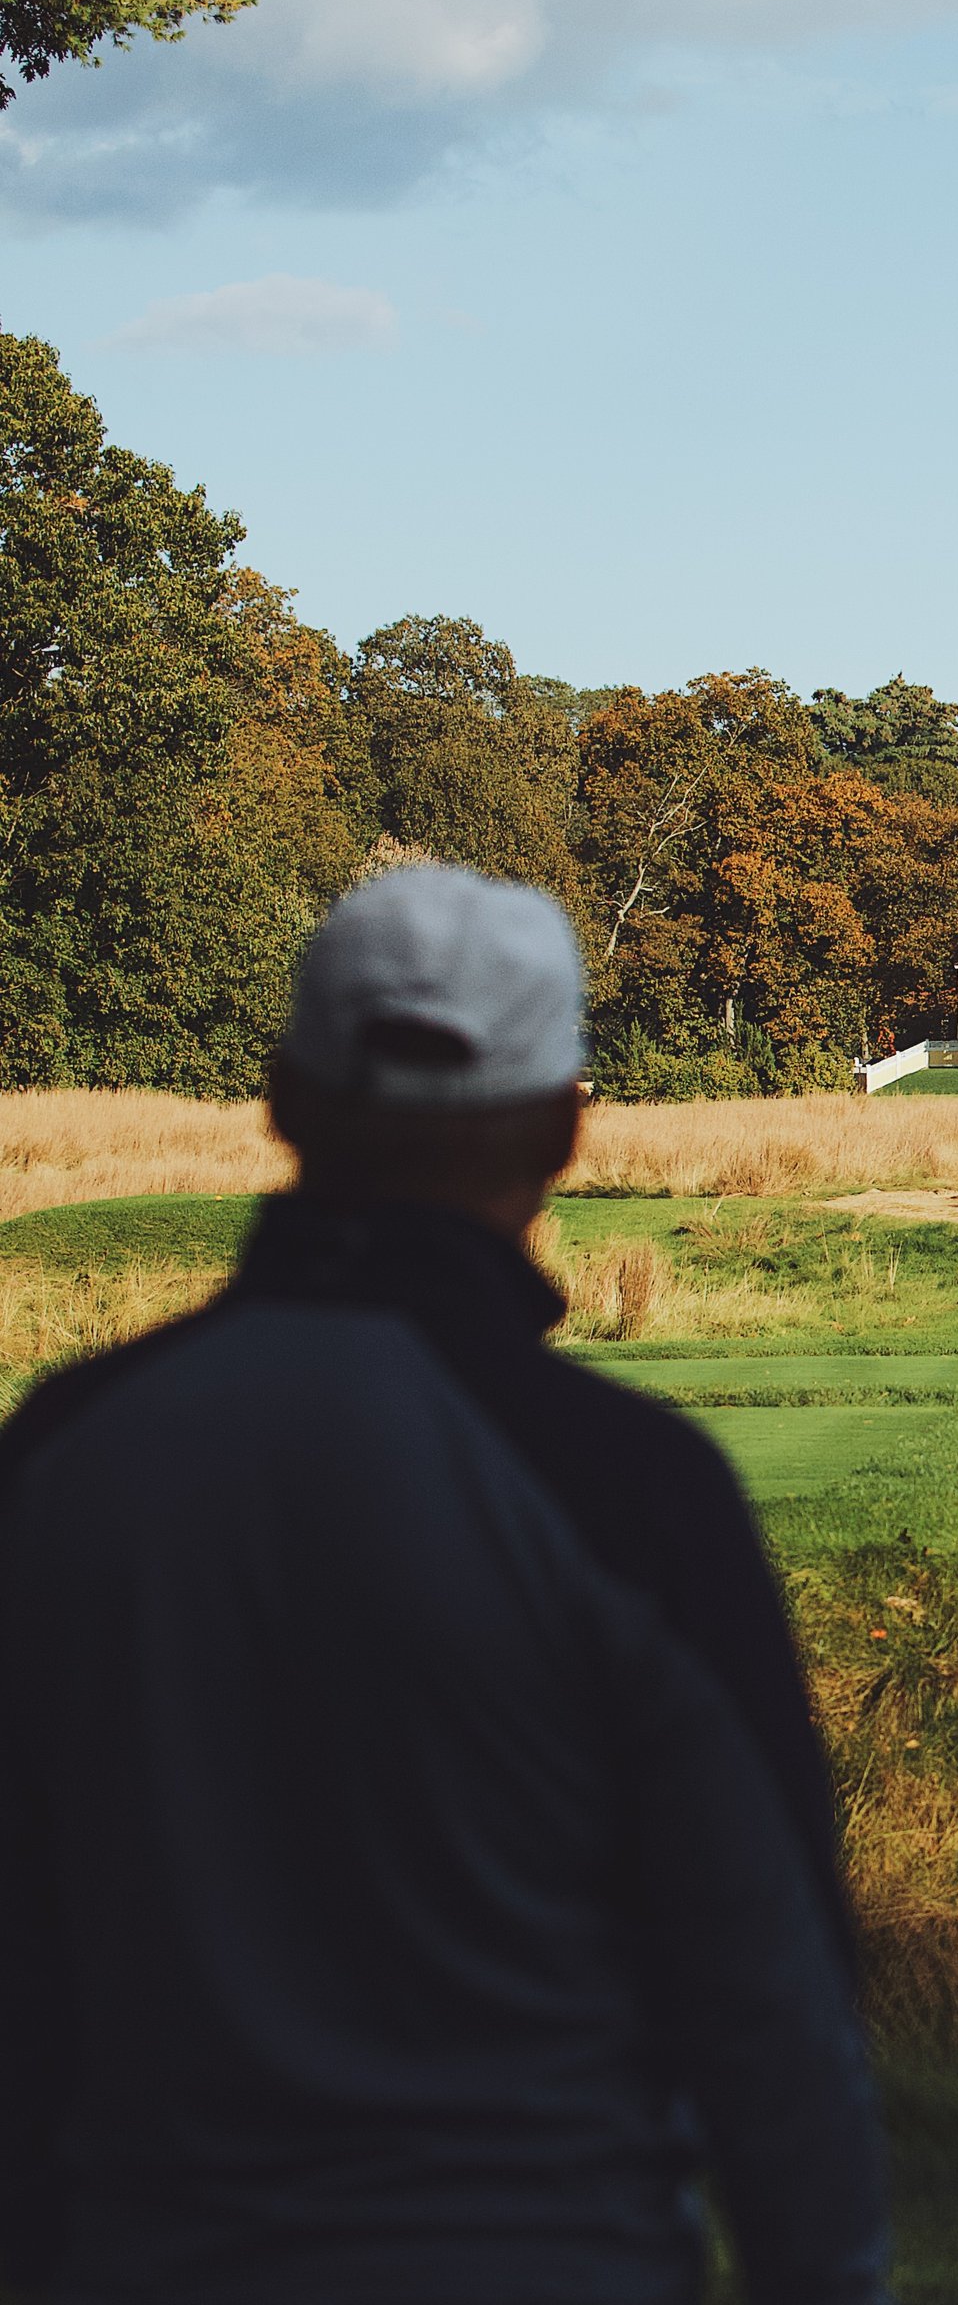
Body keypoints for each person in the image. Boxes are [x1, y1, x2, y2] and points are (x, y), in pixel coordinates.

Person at [0, 864, 889, 2305]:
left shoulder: (61, 1453)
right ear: (563, 1129)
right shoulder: (630, 1492)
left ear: (285, 1100)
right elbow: (771, 1989)